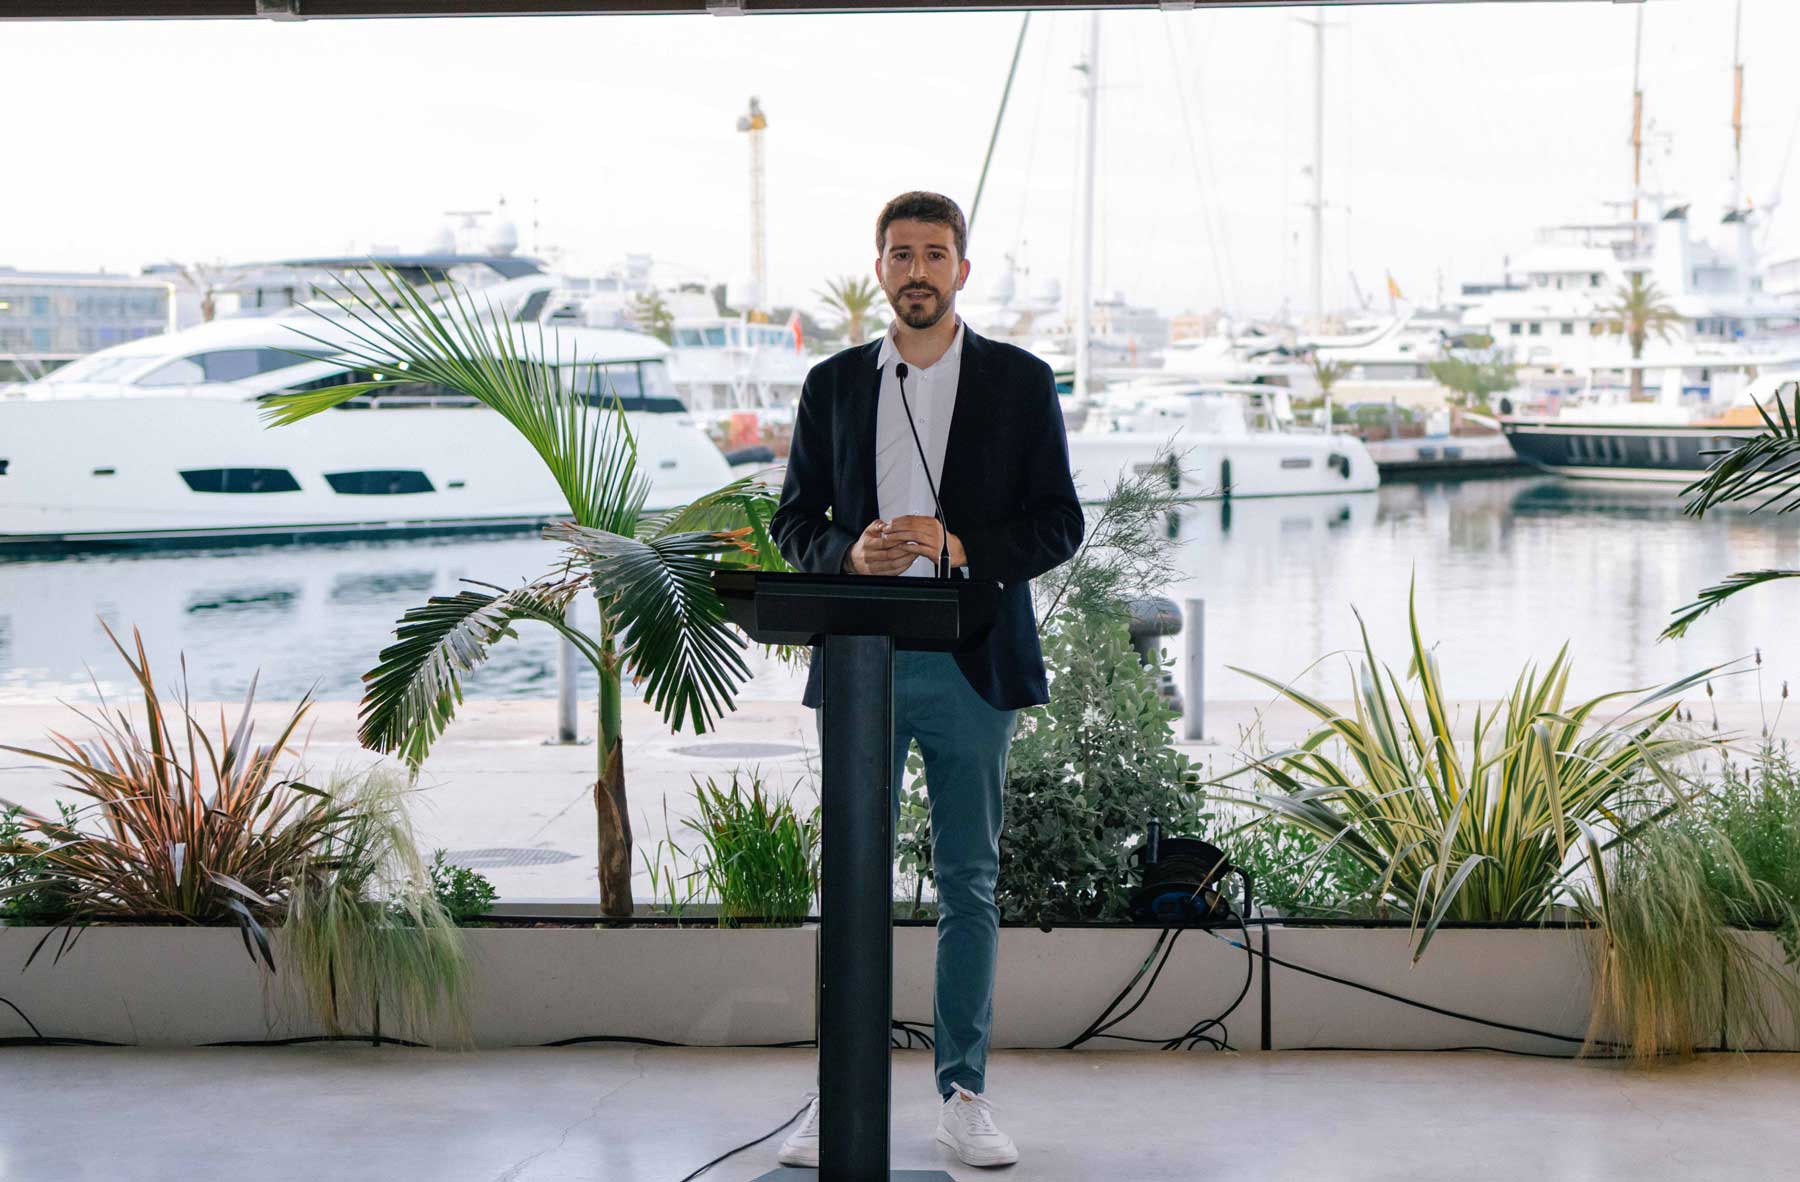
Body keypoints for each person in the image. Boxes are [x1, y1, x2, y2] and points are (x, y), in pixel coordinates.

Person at [768, 190, 1083, 1169]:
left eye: (934, 254)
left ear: (961, 270)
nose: (917, 270)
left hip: (973, 662)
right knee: (850, 883)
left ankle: (964, 1095)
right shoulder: (831, 384)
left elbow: (1059, 524)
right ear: (879, 270)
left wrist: (960, 545)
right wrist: (846, 555)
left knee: (969, 883)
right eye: (900, 254)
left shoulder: (1020, 382)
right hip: (861, 661)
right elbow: (792, 521)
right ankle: (839, 1096)